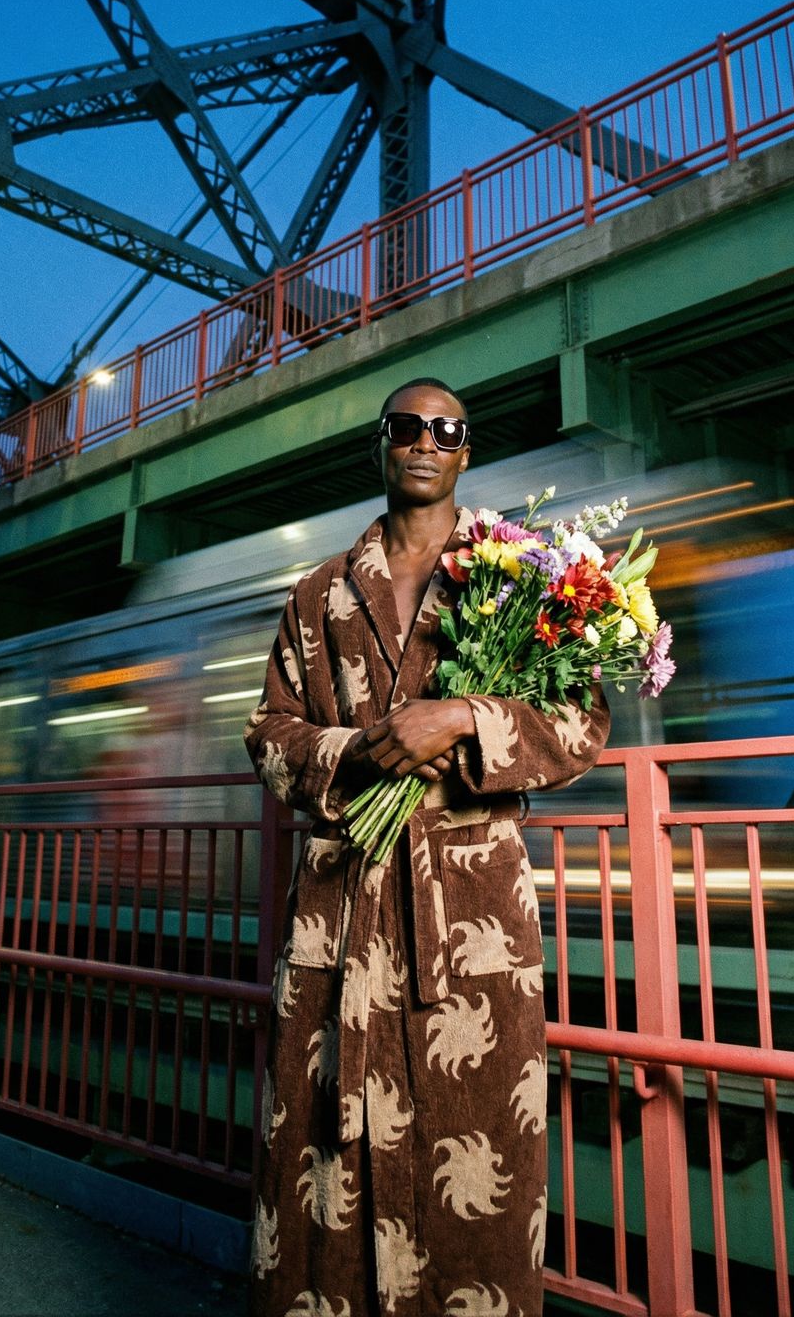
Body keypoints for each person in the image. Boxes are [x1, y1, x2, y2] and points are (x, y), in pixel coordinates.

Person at [243, 378, 610, 1317]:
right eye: (404, 426)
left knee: (480, 1145)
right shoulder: (319, 593)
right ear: (380, 444)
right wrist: (359, 751)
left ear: (465, 451)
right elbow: (271, 732)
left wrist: (462, 716)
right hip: (338, 916)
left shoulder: (518, 580)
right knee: (317, 1153)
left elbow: (580, 725)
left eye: (444, 430)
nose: (423, 441)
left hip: (473, 927)